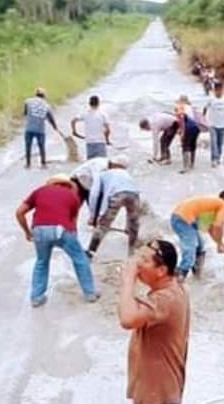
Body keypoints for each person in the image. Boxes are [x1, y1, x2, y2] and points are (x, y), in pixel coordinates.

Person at [119, 239, 190, 404]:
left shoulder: (165, 299)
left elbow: (127, 319)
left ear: (161, 270)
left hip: (156, 389)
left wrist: (128, 281)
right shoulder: (174, 287)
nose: (137, 264)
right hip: (160, 383)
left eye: (144, 260)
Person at [15, 174, 100, 307]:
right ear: (68, 186)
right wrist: (74, 242)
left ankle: (36, 298)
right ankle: (90, 293)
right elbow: (73, 222)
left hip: (40, 230)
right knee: (80, 259)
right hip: (63, 230)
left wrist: (27, 232)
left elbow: (19, 212)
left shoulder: (39, 191)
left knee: (41, 262)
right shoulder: (73, 197)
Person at [170, 191, 224, 280]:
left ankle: (197, 275)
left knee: (200, 247)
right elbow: (218, 226)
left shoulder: (211, 205)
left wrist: (220, 244)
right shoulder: (223, 204)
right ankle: (180, 274)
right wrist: (220, 245)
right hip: (183, 219)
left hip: (180, 218)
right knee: (190, 247)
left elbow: (211, 229)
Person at [87, 155, 140, 258]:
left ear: (111, 164)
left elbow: (94, 194)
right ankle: (132, 252)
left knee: (103, 225)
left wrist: (93, 215)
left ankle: (91, 252)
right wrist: (127, 226)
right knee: (134, 224)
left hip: (117, 194)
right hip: (134, 193)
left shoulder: (103, 174)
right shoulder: (127, 174)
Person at [24, 87, 62, 169]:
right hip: (40, 129)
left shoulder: (28, 101)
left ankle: (28, 164)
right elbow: (50, 118)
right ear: (44, 96)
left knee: (28, 146)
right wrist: (55, 127)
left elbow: (25, 113)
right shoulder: (46, 106)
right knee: (41, 146)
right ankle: (43, 164)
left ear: (36, 94)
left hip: (29, 128)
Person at [203, 81, 224, 167]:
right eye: (217, 90)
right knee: (213, 143)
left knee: (220, 143)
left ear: (222, 90)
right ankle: (214, 159)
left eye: (220, 90)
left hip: (223, 124)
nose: (219, 92)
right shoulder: (211, 99)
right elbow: (205, 108)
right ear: (214, 90)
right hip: (212, 124)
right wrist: (202, 119)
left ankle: (218, 158)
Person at [71, 95, 111, 159]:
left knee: (90, 164)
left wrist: (75, 132)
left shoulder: (85, 113)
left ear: (89, 104)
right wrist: (107, 140)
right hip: (100, 142)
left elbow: (73, 121)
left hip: (89, 143)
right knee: (102, 164)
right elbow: (108, 130)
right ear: (98, 103)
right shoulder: (103, 114)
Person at [176, 95, 201, 173]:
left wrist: (182, 132)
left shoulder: (180, 107)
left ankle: (185, 167)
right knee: (193, 145)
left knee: (185, 146)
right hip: (196, 127)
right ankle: (192, 164)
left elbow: (182, 119)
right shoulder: (191, 108)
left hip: (188, 127)